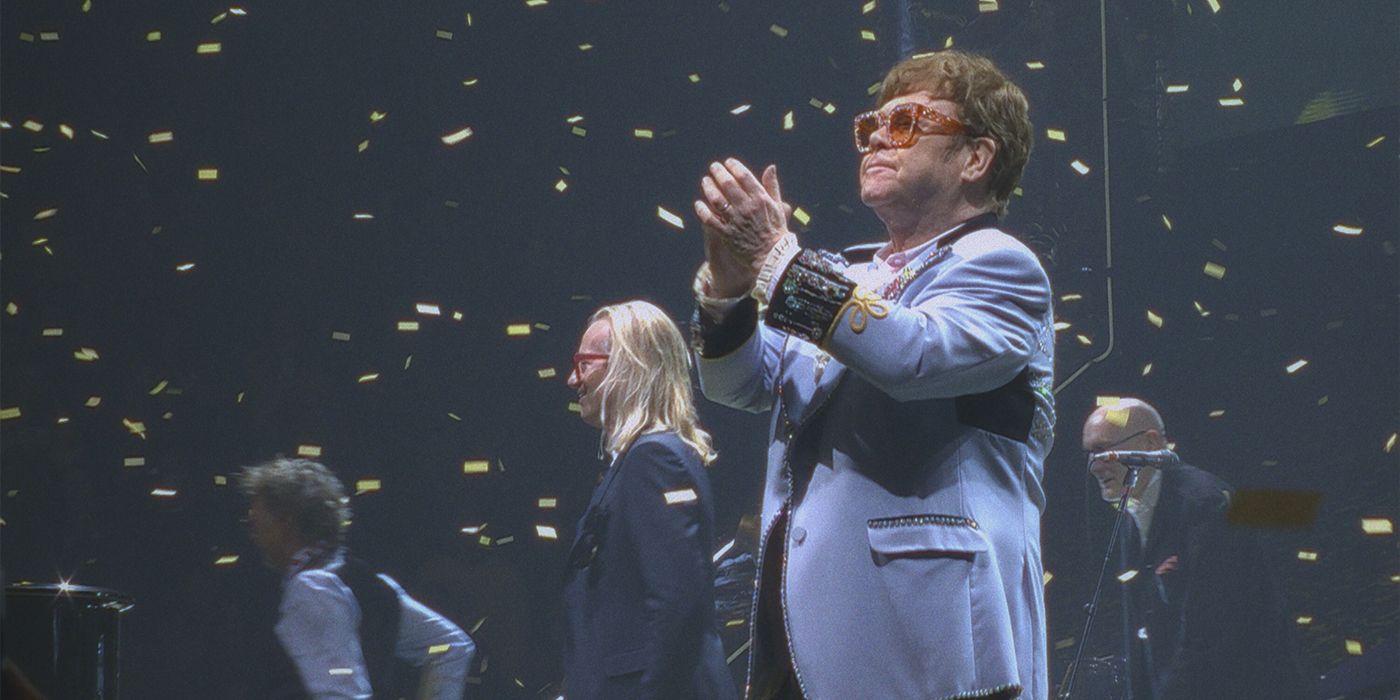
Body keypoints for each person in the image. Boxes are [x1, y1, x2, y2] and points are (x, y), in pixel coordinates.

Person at [691, 49, 1055, 699]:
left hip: (926, 646)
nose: (879, 136)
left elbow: (909, 357)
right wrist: (729, 287)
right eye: (871, 125)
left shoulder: (1002, 266)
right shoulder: (846, 276)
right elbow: (738, 386)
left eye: (909, 121)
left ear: (976, 158)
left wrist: (776, 259)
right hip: (809, 638)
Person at [562, 300, 737, 700]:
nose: (573, 380)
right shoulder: (636, 462)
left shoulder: (654, 458)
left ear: (629, 365)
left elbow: (677, 603)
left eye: (584, 362)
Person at [1081, 399, 1308, 699]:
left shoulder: (1206, 506)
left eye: (1104, 450)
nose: (1095, 465)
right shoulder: (1131, 514)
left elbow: (1210, 636)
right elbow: (1140, 637)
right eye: (1090, 454)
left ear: (1150, 443)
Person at [240, 457, 475, 699]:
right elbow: (452, 648)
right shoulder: (371, 584)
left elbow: (342, 694)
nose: (253, 530)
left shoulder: (311, 588)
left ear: (285, 519)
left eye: (257, 519)